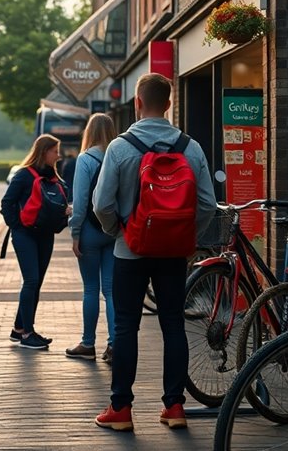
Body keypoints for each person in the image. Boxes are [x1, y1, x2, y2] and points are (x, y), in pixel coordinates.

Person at [92, 73, 216, 431]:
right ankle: (175, 407)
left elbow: (101, 203)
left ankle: (121, 410)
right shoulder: (189, 147)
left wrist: (119, 231)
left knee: (126, 325)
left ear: (137, 102)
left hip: (130, 251)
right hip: (174, 253)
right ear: (169, 104)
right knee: (173, 324)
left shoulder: (119, 147)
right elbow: (207, 203)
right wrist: (188, 238)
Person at [0, 134, 71, 350]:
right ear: (44, 152)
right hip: (25, 235)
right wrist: (18, 226)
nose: (58, 156)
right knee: (31, 281)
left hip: (45, 235)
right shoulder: (23, 175)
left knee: (36, 282)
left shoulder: (55, 179)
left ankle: (19, 328)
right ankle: (28, 334)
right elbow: (7, 203)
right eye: (55, 151)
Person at [64, 114, 118, 363]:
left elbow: (81, 201)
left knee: (90, 289)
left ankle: (87, 344)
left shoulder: (85, 159)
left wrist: (75, 233)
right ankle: (114, 344)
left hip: (89, 231)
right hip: (113, 230)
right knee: (111, 291)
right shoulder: (119, 154)